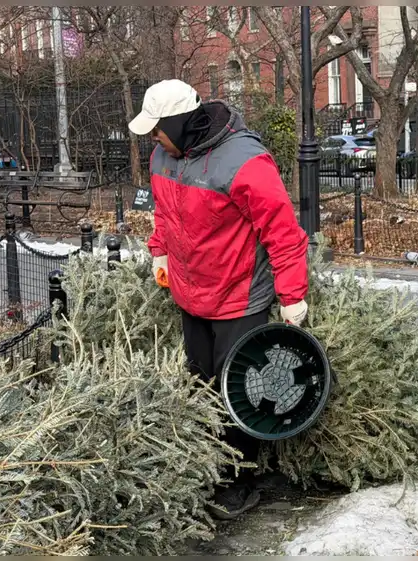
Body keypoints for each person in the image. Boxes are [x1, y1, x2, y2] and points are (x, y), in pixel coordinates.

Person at [128, 79, 309, 519]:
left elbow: (283, 234)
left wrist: (292, 296)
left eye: (157, 129)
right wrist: (160, 252)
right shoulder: (162, 156)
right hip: (191, 294)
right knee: (201, 383)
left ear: (178, 123)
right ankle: (210, 464)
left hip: (239, 299)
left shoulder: (245, 161)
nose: (152, 138)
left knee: (238, 394)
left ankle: (240, 480)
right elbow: (164, 212)